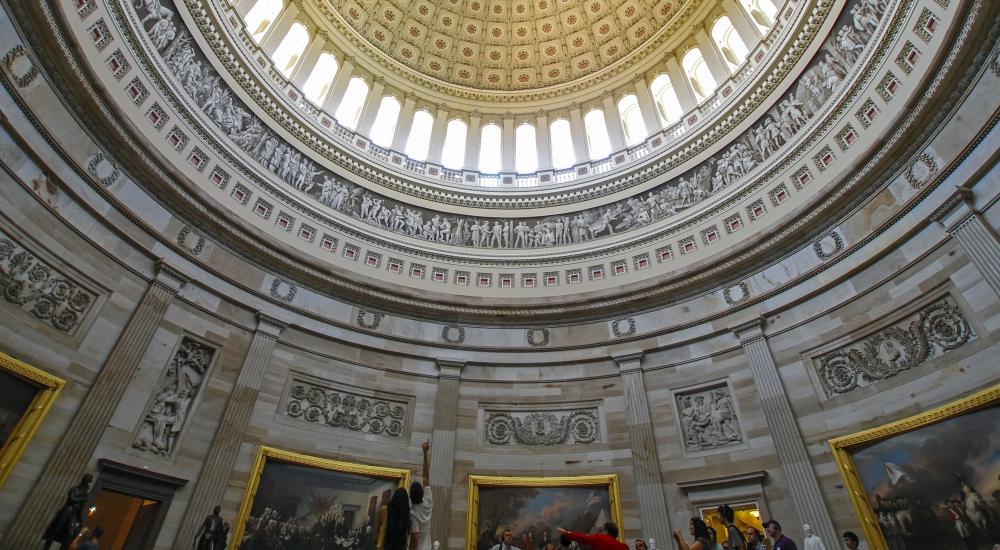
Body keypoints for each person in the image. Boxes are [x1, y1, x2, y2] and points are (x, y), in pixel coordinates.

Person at [43, 474, 93, 549]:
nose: (86, 481)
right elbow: (72, 499)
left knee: (70, 534)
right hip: (67, 511)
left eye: (88, 480)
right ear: (83, 479)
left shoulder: (86, 492)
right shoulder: (75, 489)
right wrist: (82, 498)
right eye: (86, 479)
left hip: (75, 514)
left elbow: (81, 506)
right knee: (56, 530)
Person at [409, 440, 433, 550]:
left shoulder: (413, 513)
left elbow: (415, 536)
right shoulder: (428, 501)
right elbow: (426, 477)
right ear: (422, 493)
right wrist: (425, 453)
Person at [557, 522, 628, 550]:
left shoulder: (600, 538)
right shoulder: (624, 547)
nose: (600, 532)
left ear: (606, 530)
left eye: (602, 530)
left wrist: (566, 533)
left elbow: (583, 537)